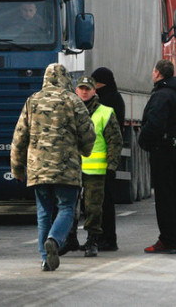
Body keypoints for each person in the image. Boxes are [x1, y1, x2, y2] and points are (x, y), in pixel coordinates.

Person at [10, 63, 95, 272]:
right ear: (67, 79)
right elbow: (88, 133)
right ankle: (54, 240)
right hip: (67, 167)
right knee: (66, 208)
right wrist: (85, 150)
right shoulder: (73, 101)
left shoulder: (32, 101)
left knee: (43, 212)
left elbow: (19, 138)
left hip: (38, 168)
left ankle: (45, 259)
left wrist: (18, 169)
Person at [138, 59, 176, 254]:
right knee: (173, 195)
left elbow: (155, 124)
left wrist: (144, 141)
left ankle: (167, 240)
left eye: (153, 71)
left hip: (163, 150)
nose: (152, 74)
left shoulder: (161, 95)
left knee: (164, 197)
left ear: (158, 74)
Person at [72, 76, 122, 258]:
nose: (84, 92)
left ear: (94, 91)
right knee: (69, 206)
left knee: (93, 208)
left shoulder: (105, 112)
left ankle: (93, 240)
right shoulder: (69, 111)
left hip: (95, 170)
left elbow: (115, 141)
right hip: (72, 169)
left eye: (88, 89)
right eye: (81, 88)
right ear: (76, 90)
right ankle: (70, 239)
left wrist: (112, 166)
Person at [91, 67, 125, 252]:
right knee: (103, 201)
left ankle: (107, 239)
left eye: (95, 82)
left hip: (104, 158)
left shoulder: (107, 101)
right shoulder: (115, 98)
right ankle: (104, 238)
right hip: (104, 158)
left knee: (103, 202)